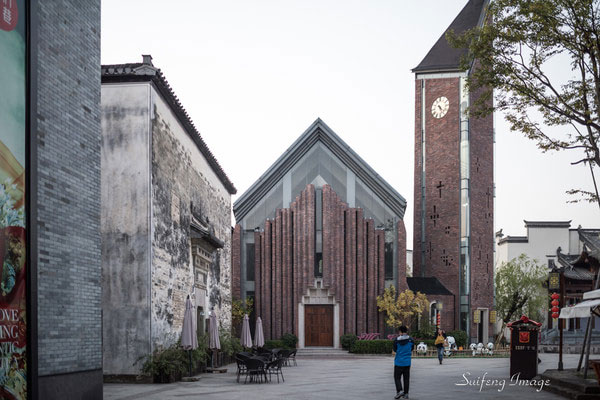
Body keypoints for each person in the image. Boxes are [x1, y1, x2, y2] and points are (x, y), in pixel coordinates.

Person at [392, 325, 414, 399]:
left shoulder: (396, 340)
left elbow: (395, 349)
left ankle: (400, 391)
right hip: (407, 362)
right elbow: (411, 348)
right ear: (406, 331)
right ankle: (406, 394)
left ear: (400, 331)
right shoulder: (411, 340)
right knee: (406, 378)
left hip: (398, 362)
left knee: (397, 377)